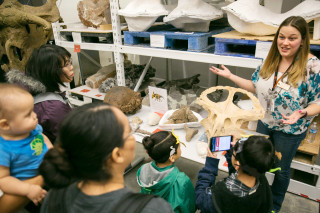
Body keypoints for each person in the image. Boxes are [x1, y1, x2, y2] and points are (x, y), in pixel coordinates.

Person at [209, 16, 320, 212]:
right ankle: (255, 195)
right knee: (255, 160)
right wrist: (231, 76)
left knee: (282, 169)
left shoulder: (313, 66)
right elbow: (254, 86)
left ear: (303, 40)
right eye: (282, 37)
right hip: (265, 122)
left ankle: (273, 206)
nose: (285, 43)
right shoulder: (270, 59)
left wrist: (301, 113)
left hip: (290, 129)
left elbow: (318, 102)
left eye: (292, 38)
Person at [38, 102, 174, 213]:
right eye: (129, 130)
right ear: (118, 155)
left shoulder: (54, 196)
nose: (132, 134)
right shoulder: (153, 209)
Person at [0, 83, 53, 212]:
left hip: (48, 172)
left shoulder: (31, 129)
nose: (35, 116)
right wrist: (28, 189)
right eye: (28, 114)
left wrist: (53, 152)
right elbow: (3, 180)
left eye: (33, 111)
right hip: (30, 190)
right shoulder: (3, 149)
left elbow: (43, 138)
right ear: (6, 125)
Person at [6, 44, 74, 143]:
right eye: (66, 64)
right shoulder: (53, 106)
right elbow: (70, 140)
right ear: (51, 70)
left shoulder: (26, 87)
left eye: (70, 62)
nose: (71, 67)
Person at [195, 136, 275, 213]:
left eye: (235, 153)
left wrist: (210, 167)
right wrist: (232, 153)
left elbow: (200, 199)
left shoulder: (222, 193)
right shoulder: (261, 178)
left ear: (238, 163)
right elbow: (240, 169)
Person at [137, 130, 196, 213]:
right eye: (179, 146)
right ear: (172, 157)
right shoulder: (182, 180)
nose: (180, 147)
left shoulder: (143, 169)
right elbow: (189, 207)